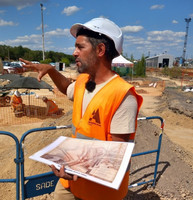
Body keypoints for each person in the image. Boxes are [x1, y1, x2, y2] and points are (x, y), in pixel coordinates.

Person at [20, 17, 143, 200]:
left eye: (80, 47)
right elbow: (67, 89)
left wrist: (76, 166)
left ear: (100, 50)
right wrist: (51, 70)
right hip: (70, 182)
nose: (74, 52)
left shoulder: (123, 96)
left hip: (100, 192)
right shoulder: (83, 82)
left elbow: (116, 160)